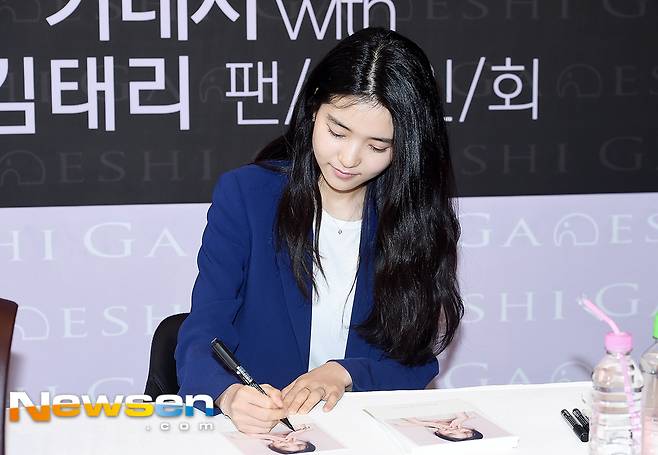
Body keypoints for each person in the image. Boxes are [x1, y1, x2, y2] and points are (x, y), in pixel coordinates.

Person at [175, 26, 463, 434]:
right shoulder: (249, 196)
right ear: (313, 109)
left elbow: (415, 363)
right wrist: (228, 394)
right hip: (265, 433)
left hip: (362, 433)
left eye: (377, 146)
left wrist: (345, 373)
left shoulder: (416, 222)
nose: (349, 158)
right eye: (337, 132)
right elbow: (203, 331)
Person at [401, 413, 484, 442]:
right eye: (465, 432)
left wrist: (423, 423)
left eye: (450, 433)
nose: (456, 430)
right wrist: (462, 416)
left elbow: (400, 411)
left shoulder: (411, 424)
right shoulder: (467, 416)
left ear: (438, 433)